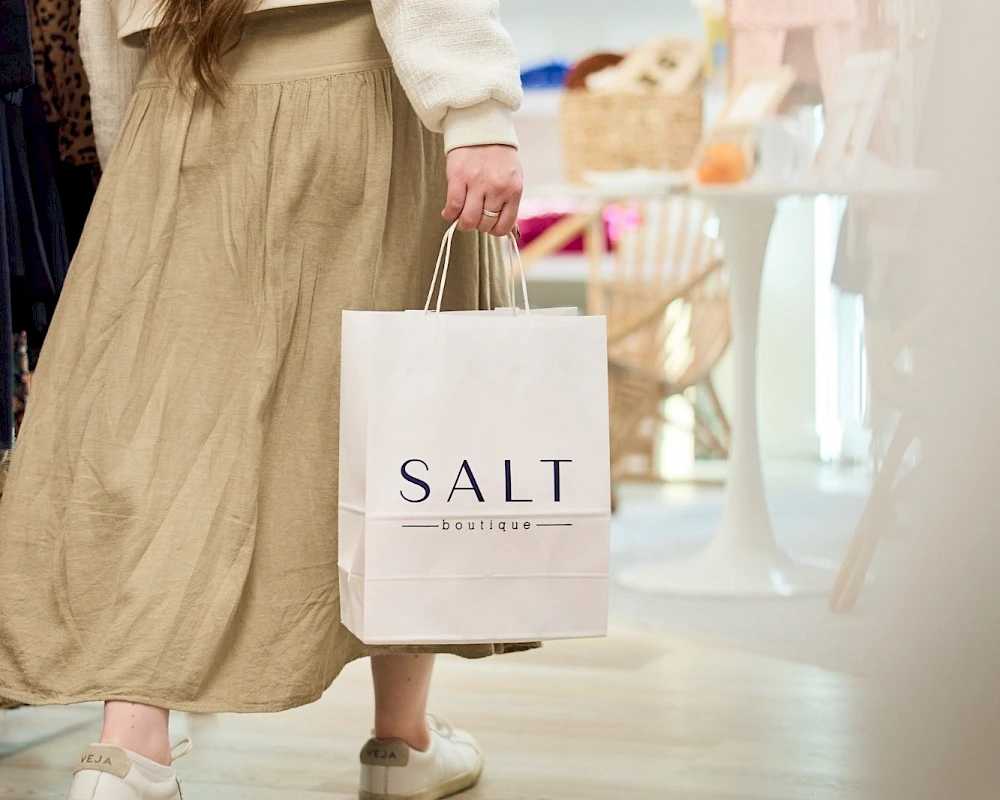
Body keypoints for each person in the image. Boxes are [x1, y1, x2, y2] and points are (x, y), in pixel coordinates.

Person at [0, 0, 531, 797]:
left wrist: (129, 147)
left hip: (177, 102)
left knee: (169, 422)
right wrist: (478, 107)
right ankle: (401, 740)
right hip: (360, 93)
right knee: (402, 414)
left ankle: (130, 749)